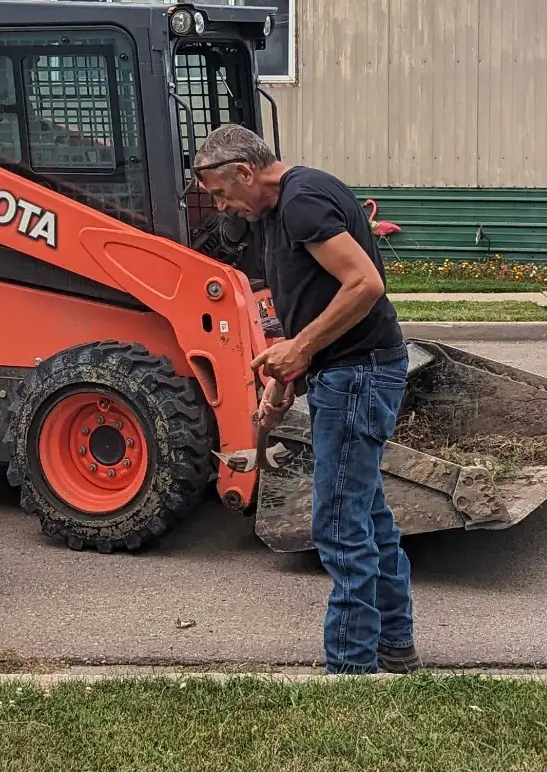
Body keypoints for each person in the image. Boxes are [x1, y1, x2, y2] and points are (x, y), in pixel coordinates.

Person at [193, 124, 422, 676]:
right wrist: (282, 380)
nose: (222, 206)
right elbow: (311, 303)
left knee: (339, 525)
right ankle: (396, 645)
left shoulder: (302, 202)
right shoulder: (280, 210)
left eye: (222, 193)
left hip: (359, 376)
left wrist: (298, 350)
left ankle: (350, 670)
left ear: (245, 172)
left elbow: (364, 285)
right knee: (368, 516)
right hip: (349, 373)